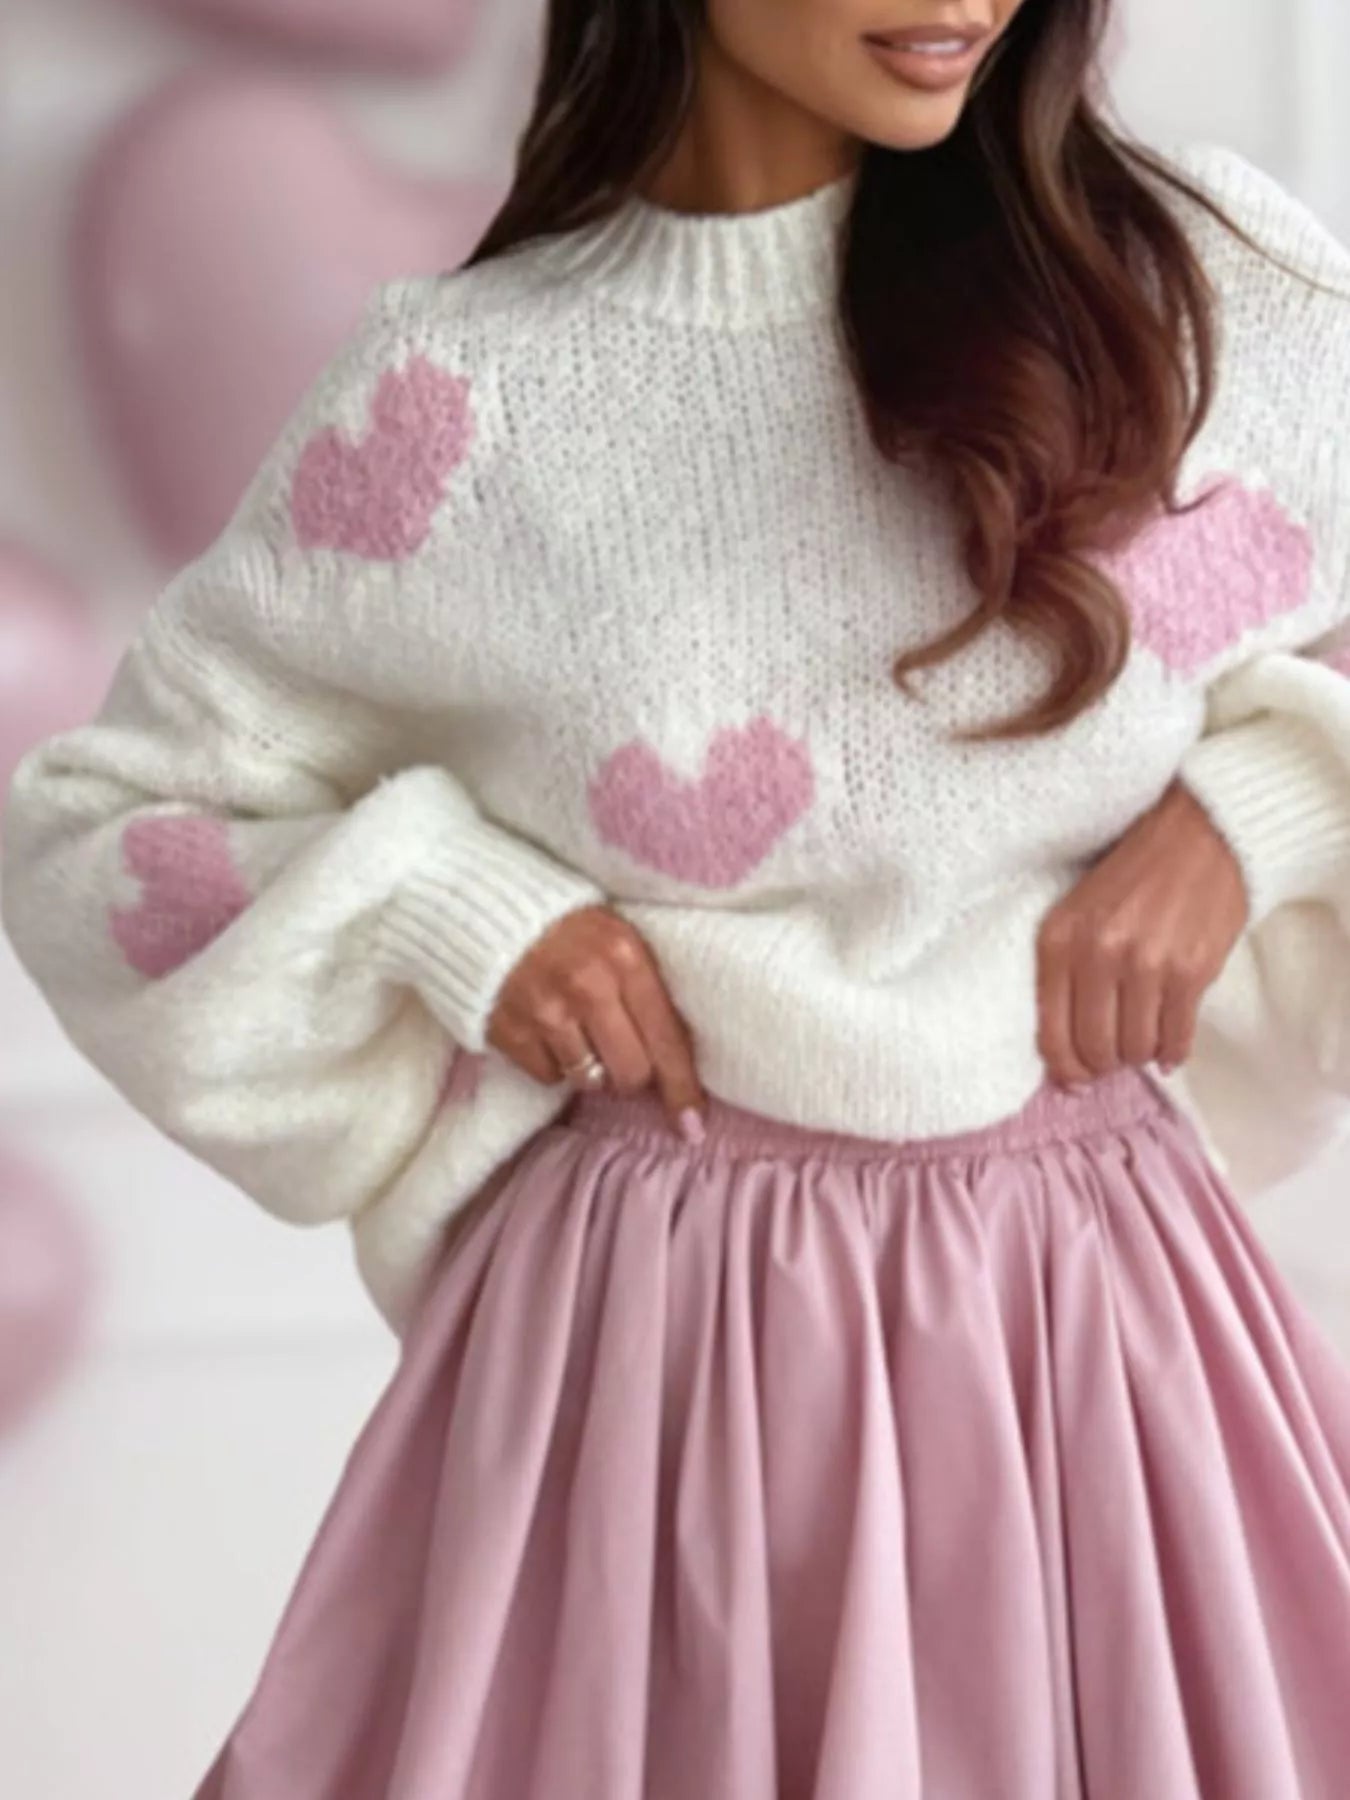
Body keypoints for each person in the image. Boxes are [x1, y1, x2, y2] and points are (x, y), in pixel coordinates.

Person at [6, 0, 1350, 1792]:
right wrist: (446, 905)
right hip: (653, 1356)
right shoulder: (466, 396)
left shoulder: (1192, 280)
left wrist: (1263, 809)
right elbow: (101, 835)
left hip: (1093, 1325)